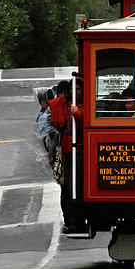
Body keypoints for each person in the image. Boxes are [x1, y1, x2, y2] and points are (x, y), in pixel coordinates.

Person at [49, 79, 84, 233]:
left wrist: (76, 113)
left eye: (77, 89)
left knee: (78, 185)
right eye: (72, 89)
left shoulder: (84, 106)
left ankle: (78, 218)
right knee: (67, 187)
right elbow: (58, 124)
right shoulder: (64, 105)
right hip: (67, 150)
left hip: (81, 150)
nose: (74, 92)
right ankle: (70, 219)